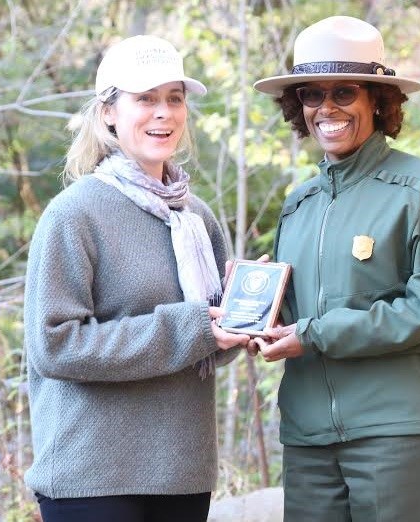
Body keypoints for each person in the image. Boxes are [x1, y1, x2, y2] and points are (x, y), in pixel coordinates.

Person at [252, 16, 420, 522]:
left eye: (344, 91)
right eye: (311, 94)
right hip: (308, 439)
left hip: (400, 434)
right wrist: (251, 311)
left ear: (377, 98)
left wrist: (317, 334)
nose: (326, 108)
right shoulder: (297, 205)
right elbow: (295, 315)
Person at [22, 34, 250, 522]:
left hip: (183, 471)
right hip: (93, 476)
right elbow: (55, 344)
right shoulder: (74, 214)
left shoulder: (195, 217)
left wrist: (243, 320)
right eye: (146, 99)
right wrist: (194, 327)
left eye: (175, 98)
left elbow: (206, 347)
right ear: (108, 112)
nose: (163, 113)